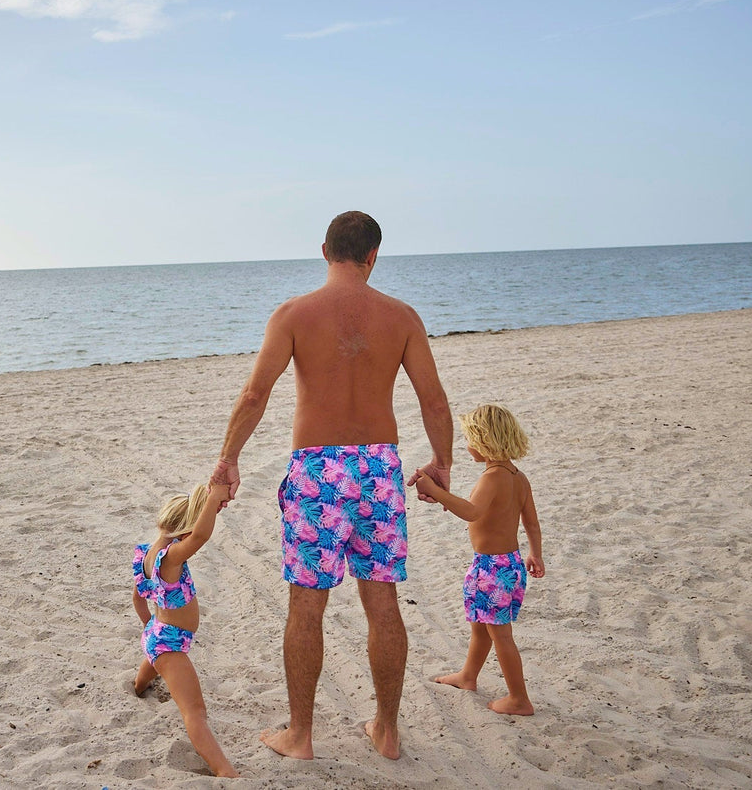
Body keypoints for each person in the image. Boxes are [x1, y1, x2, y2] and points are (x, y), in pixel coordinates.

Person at [211, 210, 453, 761]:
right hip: (378, 467)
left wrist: (228, 458)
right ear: (373, 256)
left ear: (324, 251)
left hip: (318, 470)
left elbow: (254, 396)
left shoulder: (294, 314)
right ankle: (387, 732)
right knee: (382, 599)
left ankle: (300, 736)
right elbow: (433, 400)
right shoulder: (403, 317)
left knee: (306, 604)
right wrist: (442, 462)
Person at [415, 403, 545, 715]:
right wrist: (535, 554)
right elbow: (532, 523)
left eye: (470, 439)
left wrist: (434, 489)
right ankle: (468, 675)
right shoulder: (518, 476)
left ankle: (519, 699)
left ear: (485, 441)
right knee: (480, 626)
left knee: (500, 634)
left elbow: (471, 512)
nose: (467, 446)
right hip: (511, 563)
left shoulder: (492, 477)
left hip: (492, 568)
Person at [131, 481, 240, 778]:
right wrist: (215, 498)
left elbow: (138, 599)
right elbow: (202, 535)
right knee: (196, 713)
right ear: (183, 533)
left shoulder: (145, 556)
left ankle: (139, 686)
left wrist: (149, 628)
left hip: (156, 634)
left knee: (153, 662)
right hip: (170, 644)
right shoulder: (171, 558)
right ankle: (224, 770)